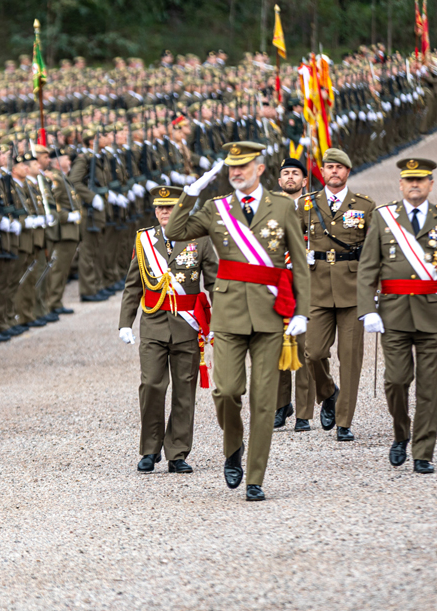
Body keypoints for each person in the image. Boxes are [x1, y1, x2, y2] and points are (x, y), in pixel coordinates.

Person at [165, 143, 310, 501]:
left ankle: (255, 477)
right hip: (228, 314)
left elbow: (301, 264)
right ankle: (234, 447)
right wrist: (191, 192)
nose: (236, 172)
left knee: (263, 400)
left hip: (269, 313)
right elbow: (175, 232)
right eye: (231, 167)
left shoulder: (282, 207)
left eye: (243, 166)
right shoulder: (216, 209)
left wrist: (301, 311)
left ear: (259, 169)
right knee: (226, 391)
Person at [357, 157, 437, 473]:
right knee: (395, 381)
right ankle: (401, 432)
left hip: (433, 315)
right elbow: (368, 267)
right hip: (393, 314)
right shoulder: (384, 219)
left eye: (420, 180)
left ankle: (423, 451)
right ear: (400, 184)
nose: (414, 185)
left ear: (430, 185)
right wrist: (367, 309)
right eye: (409, 180)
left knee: (428, 387)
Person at [118, 185, 216, 474]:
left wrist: (218, 321)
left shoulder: (200, 240)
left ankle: (177, 452)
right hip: (154, 323)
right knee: (151, 386)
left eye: (171, 207)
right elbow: (133, 285)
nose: (164, 212)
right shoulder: (144, 240)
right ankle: (150, 449)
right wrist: (125, 322)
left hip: (187, 325)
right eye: (160, 208)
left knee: (184, 390)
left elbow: (213, 284)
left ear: (182, 210)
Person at [298, 148, 374, 441]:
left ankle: (344, 421)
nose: (334, 171)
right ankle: (328, 391)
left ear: (347, 172)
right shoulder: (307, 205)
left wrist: (373, 291)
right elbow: (291, 240)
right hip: (317, 288)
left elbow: (373, 251)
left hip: (352, 290)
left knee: (350, 357)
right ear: (323, 172)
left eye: (339, 168)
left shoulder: (364, 207)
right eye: (329, 167)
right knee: (313, 353)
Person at [273, 157, 320, 431]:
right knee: (276, 345)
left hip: (306, 281)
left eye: (296, 173)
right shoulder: (268, 208)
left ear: (305, 180)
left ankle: (303, 411)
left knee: (306, 348)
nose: (290, 177)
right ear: (279, 181)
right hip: (277, 282)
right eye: (286, 174)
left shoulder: (316, 207)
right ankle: (281, 405)